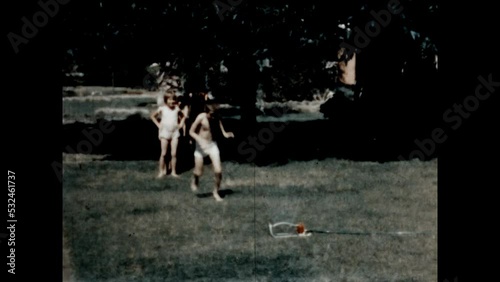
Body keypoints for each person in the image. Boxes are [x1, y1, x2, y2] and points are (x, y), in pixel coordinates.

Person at [189, 100, 234, 201]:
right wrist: (199, 139)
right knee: (199, 172)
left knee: (218, 171)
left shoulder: (216, 117)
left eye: (215, 114)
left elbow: (219, 123)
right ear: (207, 111)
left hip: (212, 145)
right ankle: (195, 178)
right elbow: (191, 131)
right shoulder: (201, 117)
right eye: (211, 114)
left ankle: (216, 192)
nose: (213, 116)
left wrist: (225, 133)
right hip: (200, 147)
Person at [150, 89, 185, 178]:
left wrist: (181, 124)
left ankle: (173, 171)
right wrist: (158, 125)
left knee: (174, 153)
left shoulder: (177, 109)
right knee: (164, 153)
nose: (172, 101)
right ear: (166, 100)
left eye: (174, 100)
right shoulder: (162, 108)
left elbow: (183, 116)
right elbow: (152, 116)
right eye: (170, 99)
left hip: (174, 133)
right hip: (164, 132)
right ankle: (161, 171)